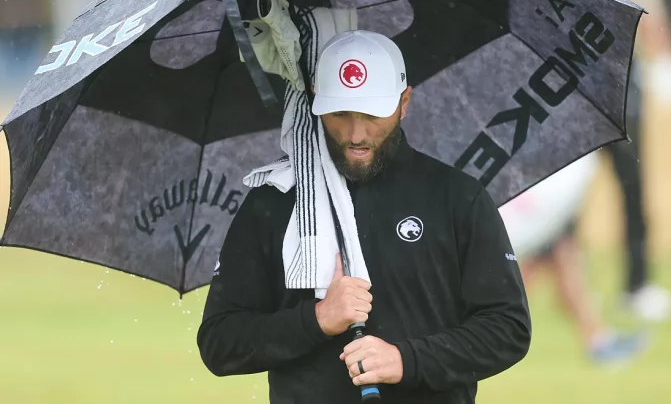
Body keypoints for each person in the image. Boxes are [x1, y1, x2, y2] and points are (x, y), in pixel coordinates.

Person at [198, 30, 532, 403]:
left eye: (372, 114)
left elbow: (507, 328)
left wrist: (406, 360)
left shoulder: (455, 197)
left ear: (404, 102)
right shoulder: (274, 200)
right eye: (339, 114)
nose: (356, 134)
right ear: (314, 101)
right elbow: (220, 342)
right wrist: (317, 320)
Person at [560, 0, 671, 322]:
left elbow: (650, 13)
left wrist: (664, 61)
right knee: (566, 196)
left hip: (623, 80)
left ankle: (638, 285)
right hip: (572, 82)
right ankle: (573, 289)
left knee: (631, 185)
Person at [520, 223, 647, 366]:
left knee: (560, 260)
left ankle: (597, 338)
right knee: (551, 261)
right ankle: (598, 339)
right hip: (545, 213)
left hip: (549, 214)